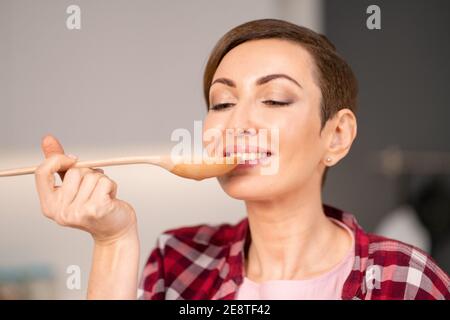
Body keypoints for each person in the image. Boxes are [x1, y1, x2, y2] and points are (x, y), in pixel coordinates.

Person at [34, 19, 449, 300]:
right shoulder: (177, 261)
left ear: (336, 136)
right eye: (222, 102)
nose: (238, 121)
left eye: (274, 99)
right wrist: (112, 241)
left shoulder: (405, 278)